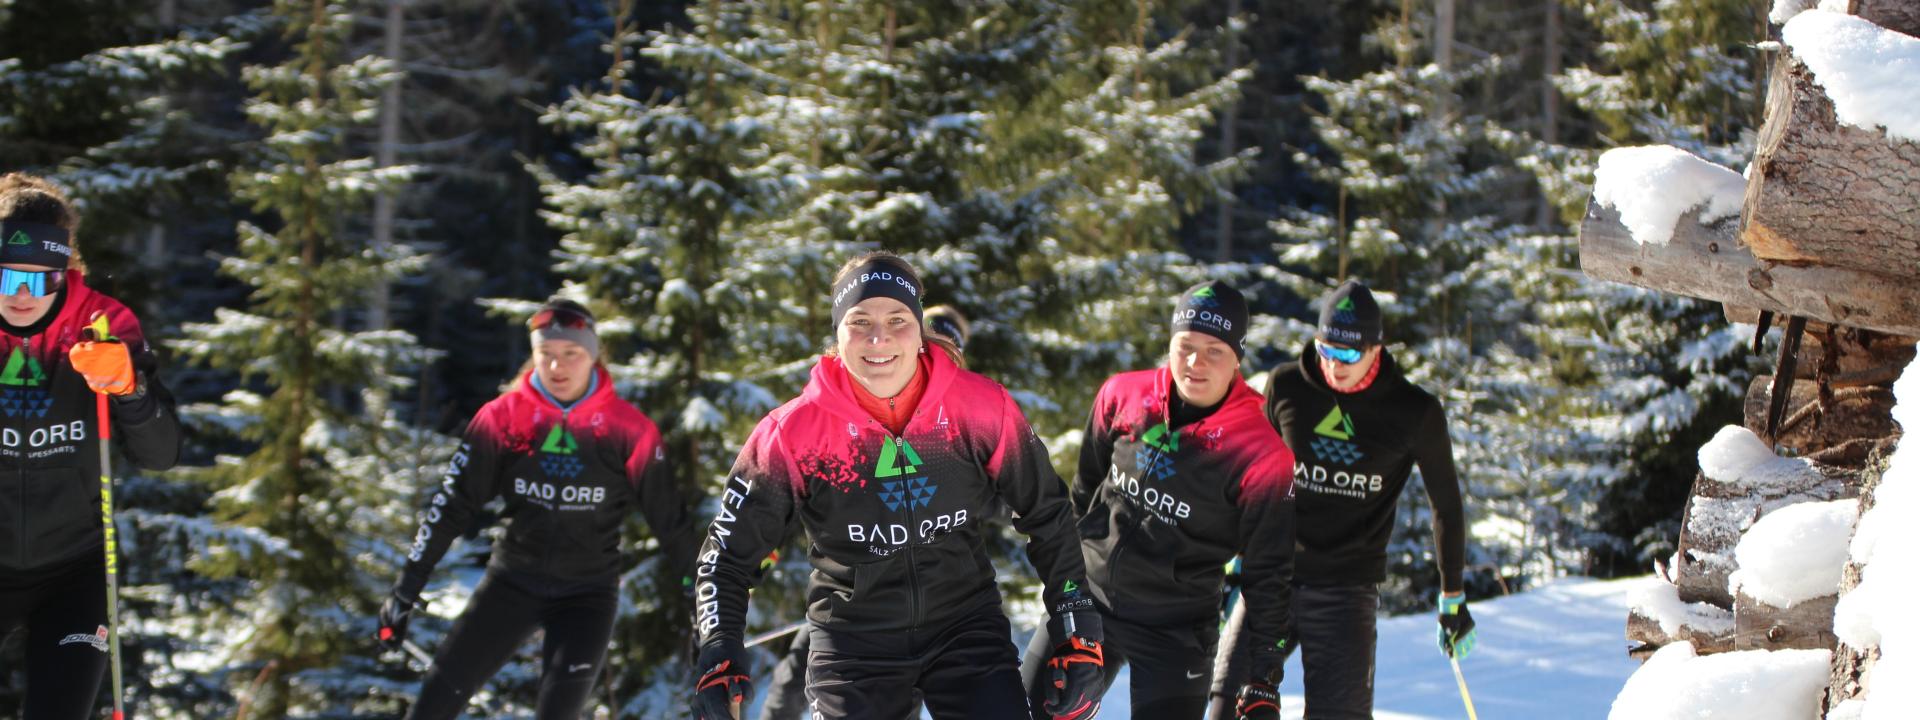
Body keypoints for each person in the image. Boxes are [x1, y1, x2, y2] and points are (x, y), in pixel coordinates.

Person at [690, 252, 1102, 720]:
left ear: (920, 327)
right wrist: (719, 649)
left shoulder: (980, 407)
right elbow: (727, 556)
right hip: (853, 644)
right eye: (859, 320)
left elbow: (1045, 510)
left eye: (897, 319)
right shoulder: (792, 434)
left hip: (965, 627)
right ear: (838, 333)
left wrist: (1077, 623)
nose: (879, 336)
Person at [379, 298, 700, 719]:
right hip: (512, 583)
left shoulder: (629, 430)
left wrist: (706, 604)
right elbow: (451, 506)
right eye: (545, 354)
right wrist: (407, 586)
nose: (556, 367)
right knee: (431, 708)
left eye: (571, 353)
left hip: (587, 596)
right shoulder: (503, 419)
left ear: (594, 355)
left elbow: (670, 523)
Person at [1020, 281, 1297, 720]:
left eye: (1214, 351)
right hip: (1090, 602)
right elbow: (1081, 498)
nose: (1194, 363)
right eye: (1185, 345)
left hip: (1177, 631)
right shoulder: (1123, 396)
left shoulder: (1262, 454)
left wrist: (1262, 680)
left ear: (1237, 359)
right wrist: (1066, 593)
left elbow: (1269, 576)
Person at [1209, 280, 1472, 720]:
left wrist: (1452, 596)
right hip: (1274, 576)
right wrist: (1235, 559)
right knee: (1226, 709)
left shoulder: (1413, 411)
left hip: (1347, 590)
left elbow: (1445, 505)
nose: (1335, 366)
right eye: (1327, 350)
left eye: (1349, 354)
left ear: (1376, 348)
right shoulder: (1288, 385)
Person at [0, 173, 182, 719]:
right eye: (9, 278)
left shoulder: (101, 323)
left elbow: (161, 453)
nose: (25, 296)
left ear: (67, 271)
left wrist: (129, 386)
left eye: (44, 279)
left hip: (72, 570)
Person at [757, 304, 970, 720]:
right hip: (848, 600)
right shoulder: (849, 409)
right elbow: (798, 489)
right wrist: (760, 554)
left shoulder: (959, 418)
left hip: (923, 606)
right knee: (791, 683)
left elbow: (997, 495)